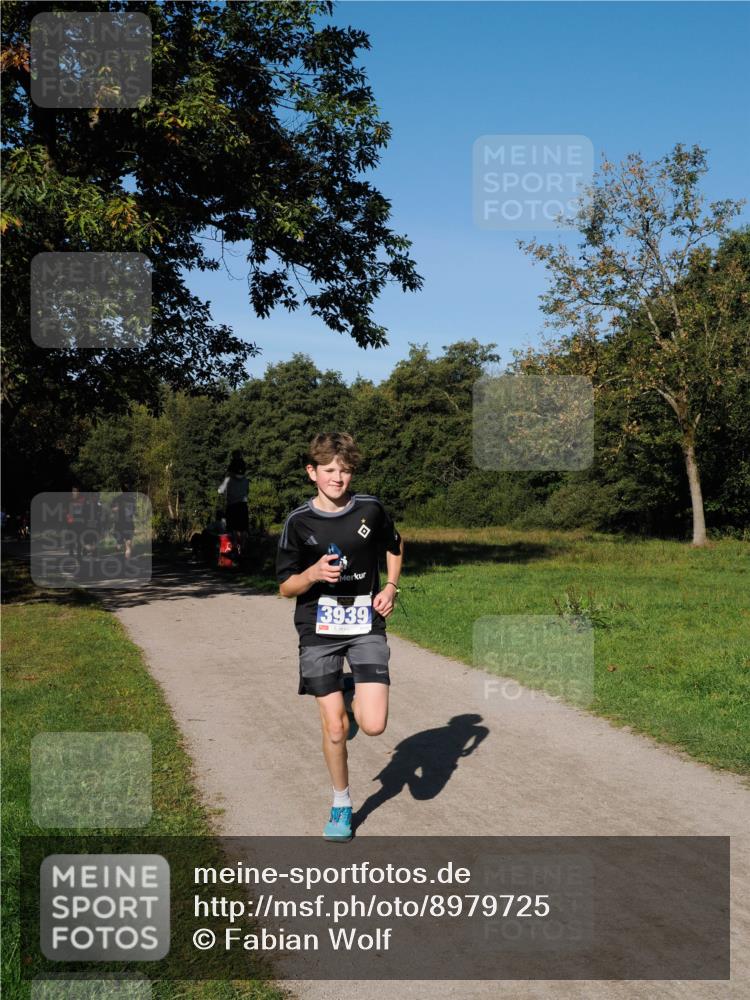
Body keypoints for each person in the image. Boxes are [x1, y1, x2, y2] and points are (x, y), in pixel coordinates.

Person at [276, 432, 404, 842]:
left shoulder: (371, 509)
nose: (337, 478)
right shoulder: (298, 522)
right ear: (312, 472)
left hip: (365, 624)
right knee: (335, 728)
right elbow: (285, 587)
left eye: (345, 470)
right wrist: (312, 574)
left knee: (374, 725)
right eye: (329, 470)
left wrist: (391, 587)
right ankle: (341, 804)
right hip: (318, 628)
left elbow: (395, 545)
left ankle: (350, 692)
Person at [218, 451, 250, 562]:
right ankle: (243, 549)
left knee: (232, 529)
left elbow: (220, 491)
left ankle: (235, 549)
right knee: (243, 529)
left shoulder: (229, 479)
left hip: (232, 505)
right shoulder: (246, 480)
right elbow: (247, 491)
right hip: (243, 505)